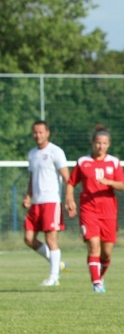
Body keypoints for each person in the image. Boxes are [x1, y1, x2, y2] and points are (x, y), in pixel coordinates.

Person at [65, 125, 124, 293]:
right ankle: (97, 282)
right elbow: (71, 183)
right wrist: (69, 199)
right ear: (92, 143)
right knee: (93, 245)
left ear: (109, 145)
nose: (101, 146)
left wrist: (109, 182)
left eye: (104, 143)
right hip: (88, 210)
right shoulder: (83, 162)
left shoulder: (114, 162)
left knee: (106, 253)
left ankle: (99, 276)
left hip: (108, 212)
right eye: (98, 143)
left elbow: (121, 185)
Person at [23, 120, 70, 287]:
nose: (38, 135)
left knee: (51, 239)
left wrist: (69, 199)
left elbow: (67, 178)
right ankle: (57, 264)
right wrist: (28, 196)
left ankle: (54, 277)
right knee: (28, 238)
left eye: (41, 132)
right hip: (36, 203)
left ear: (47, 133)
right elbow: (32, 178)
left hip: (51, 201)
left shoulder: (55, 151)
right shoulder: (32, 154)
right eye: (35, 132)